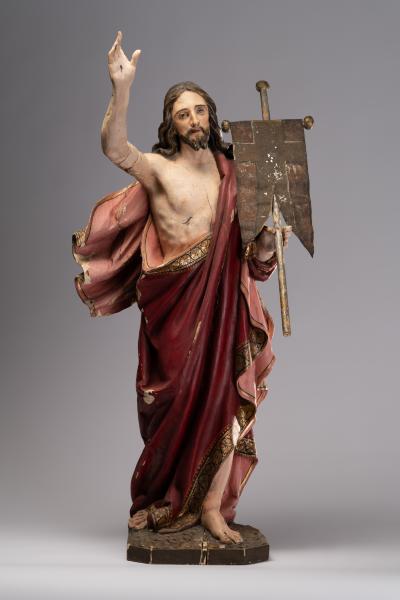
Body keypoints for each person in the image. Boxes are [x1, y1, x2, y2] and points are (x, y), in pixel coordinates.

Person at [72, 31, 291, 544]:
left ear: (211, 116)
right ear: (171, 124)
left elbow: (255, 258)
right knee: (170, 408)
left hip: (225, 309)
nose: (194, 120)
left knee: (226, 399)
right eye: (183, 114)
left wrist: (266, 245)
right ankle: (162, 498)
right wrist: (121, 88)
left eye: (200, 111)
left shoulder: (237, 174)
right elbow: (115, 148)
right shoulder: (160, 171)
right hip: (173, 313)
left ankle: (212, 507)